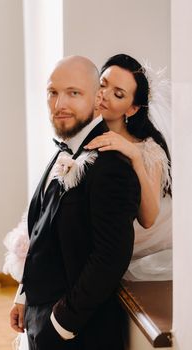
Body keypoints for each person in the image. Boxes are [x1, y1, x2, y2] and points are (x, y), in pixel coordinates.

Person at [8, 55, 141, 350]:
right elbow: (40, 232)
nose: (59, 104)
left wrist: (60, 325)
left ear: (97, 99)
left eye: (73, 93)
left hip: (79, 334)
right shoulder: (63, 153)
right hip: (39, 319)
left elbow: (110, 258)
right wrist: (24, 297)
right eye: (52, 92)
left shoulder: (112, 166)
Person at [84, 54, 172, 281]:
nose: (104, 94)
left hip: (131, 243)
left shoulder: (148, 148)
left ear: (131, 109)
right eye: (102, 84)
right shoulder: (83, 130)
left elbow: (149, 218)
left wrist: (134, 156)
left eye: (118, 94)